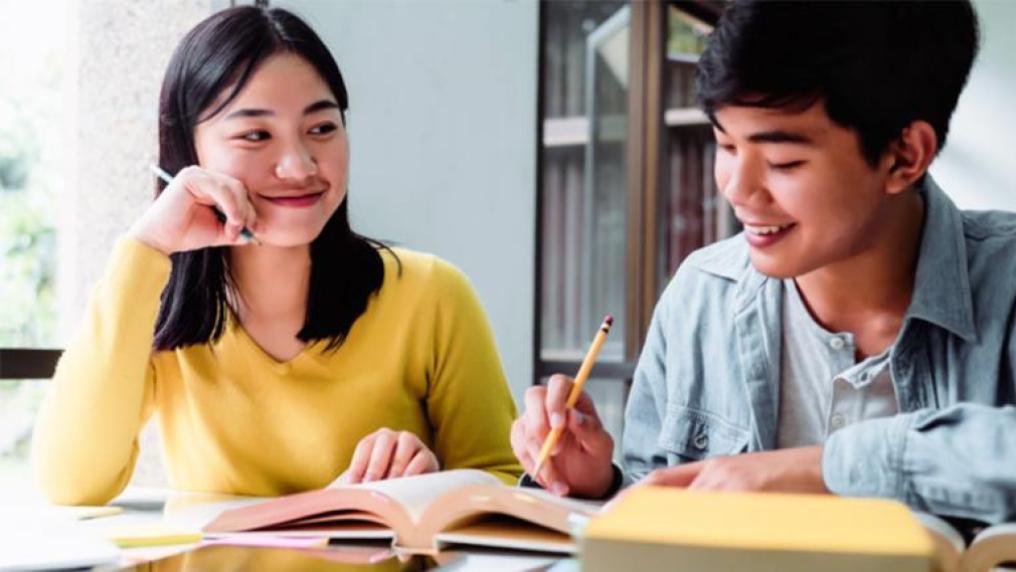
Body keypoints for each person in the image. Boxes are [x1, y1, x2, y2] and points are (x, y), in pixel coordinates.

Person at [512, 0, 1016, 525]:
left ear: (904, 155)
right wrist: (598, 484)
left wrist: (827, 470)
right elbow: (659, 514)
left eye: (782, 162)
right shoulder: (700, 295)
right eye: (725, 144)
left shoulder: (1007, 283)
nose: (737, 189)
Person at [32, 6, 521, 505]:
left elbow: (504, 482)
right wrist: (147, 246)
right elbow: (71, 483)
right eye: (256, 135)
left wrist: (433, 484)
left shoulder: (433, 295)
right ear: (188, 155)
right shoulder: (156, 310)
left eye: (322, 128)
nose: (299, 165)